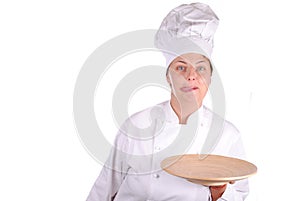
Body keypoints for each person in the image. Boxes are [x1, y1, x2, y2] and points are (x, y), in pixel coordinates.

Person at [87, 2, 249, 201]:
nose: (191, 76)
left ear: (209, 78)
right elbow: (104, 189)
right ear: (167, 77)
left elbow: (240, 194)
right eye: (181, 67)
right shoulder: (136, 126)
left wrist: (219, 192)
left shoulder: (226, 135)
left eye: (200, 68)